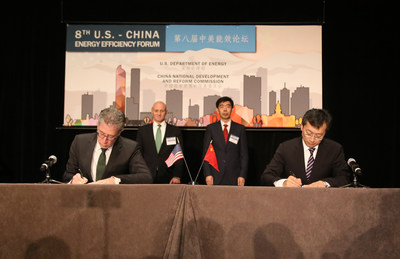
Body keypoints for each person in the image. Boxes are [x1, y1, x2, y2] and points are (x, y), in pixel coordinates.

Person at [260, 108, 350, 188]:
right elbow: (266, 176)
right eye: (309, 133)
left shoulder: (334, 149)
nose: (312, 139)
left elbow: (344, 178)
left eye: (319, 136)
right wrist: (283, 183)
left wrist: (325, 184)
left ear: (325, 133)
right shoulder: (286, 148)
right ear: (302, 127)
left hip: (323, 201)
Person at [63, 107, 152, 184]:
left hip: (115, 200)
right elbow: (68, 175)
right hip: (84, 199)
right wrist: (73, 180)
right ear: (97, 126)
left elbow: (146, 177)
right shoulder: (80, 142)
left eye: (111, 136)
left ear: (120, 132)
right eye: (101, 133)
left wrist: (115, 180)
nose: (105, 140)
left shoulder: (130, 148)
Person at [202, 96, 248, 186]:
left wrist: (242, 175)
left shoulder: (240, 129)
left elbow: (244, 155)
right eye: (222, 106)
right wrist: (208, 174)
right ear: (217, 109)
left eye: (227, 106)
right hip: (215, 175)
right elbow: (206, 154)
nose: (225, 109)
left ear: (232, 109)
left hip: (235, 176)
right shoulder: (211, 129)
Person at [136, 101, 184, 184]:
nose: (159, 113)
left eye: (162, 111)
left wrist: (177, 175)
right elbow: (138, 154)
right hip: (146, 176)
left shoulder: (174, 131)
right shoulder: (143, 131)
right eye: (156, 110)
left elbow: (179, 155)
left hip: (168, 177)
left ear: (166, 112)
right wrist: (139, 174)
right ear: (152, 111)